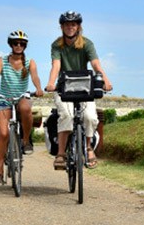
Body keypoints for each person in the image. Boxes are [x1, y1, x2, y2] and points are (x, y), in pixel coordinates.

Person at [45, 11, 113, 170]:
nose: (70, 27)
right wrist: (50, 83)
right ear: (61, 27)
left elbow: (96, 64)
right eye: (67, 24)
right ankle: (61, 153)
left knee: (89, 117)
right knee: (66, 116)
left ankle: (88, 148)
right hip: (64, 86)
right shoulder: (57, 45)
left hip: (84, 86)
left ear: (78, 27)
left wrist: (106, 80)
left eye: (73, 24)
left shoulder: (87, 44)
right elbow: (56, 66)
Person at [0, 30, 44, 186]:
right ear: (10, 44)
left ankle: (25, 141)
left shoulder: (29, 61)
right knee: (3, 134)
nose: (19, 45)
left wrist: (38, 88)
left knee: (25, 109)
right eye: (16, 43)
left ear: (25, 46)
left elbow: (35, 76)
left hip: (22, 95)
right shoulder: (2, 60)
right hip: (4, 97)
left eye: (22, 43)